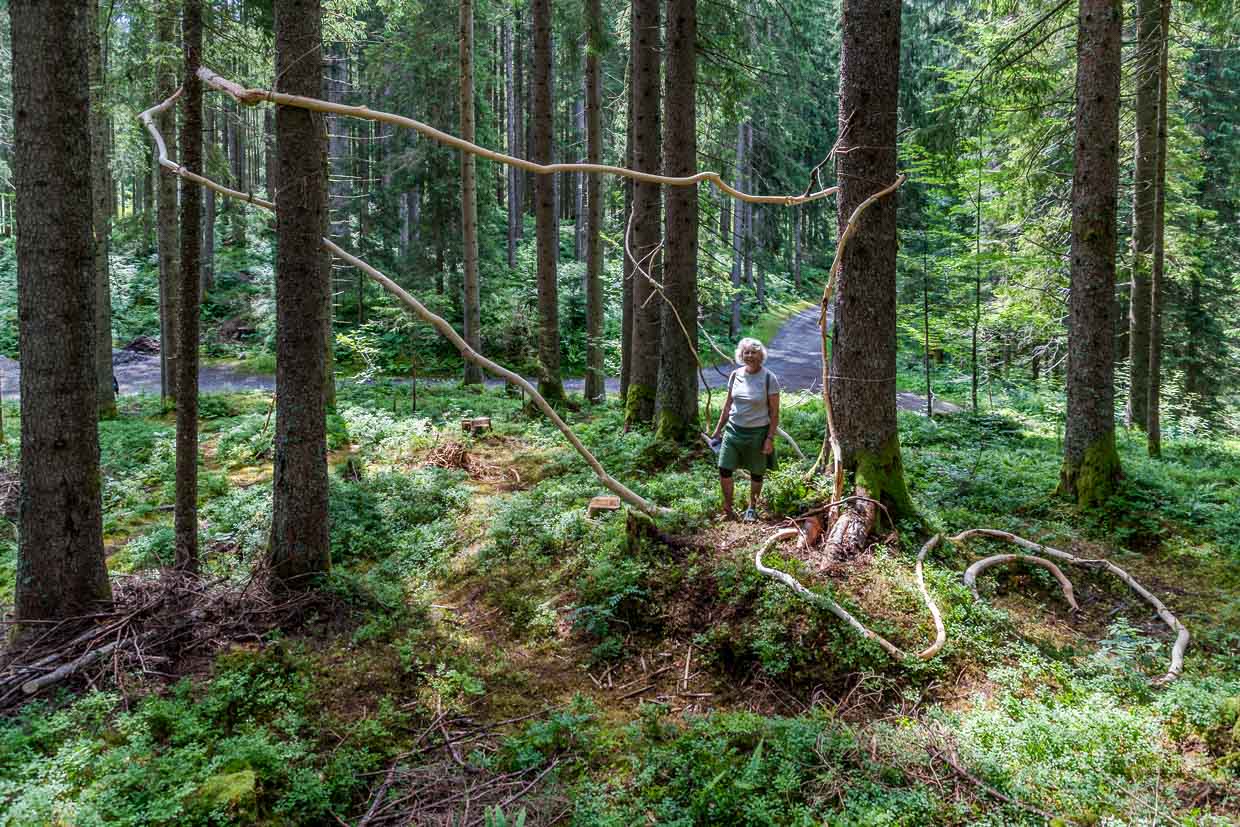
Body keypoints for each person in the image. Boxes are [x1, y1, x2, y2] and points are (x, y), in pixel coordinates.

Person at [709, 337, 780, 522]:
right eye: (745, 352)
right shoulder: (735, 375)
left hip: (757, 433)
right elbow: (727, 407)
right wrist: (717, 432)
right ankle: (728, 509)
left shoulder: (768, 378)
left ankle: (752, 508)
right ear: (741, 355)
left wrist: (769, 438)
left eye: (753, 352)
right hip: (733, 431)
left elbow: (774, 413)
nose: (749, 355)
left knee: (756, 472)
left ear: (760, 355)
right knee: (724, 468)